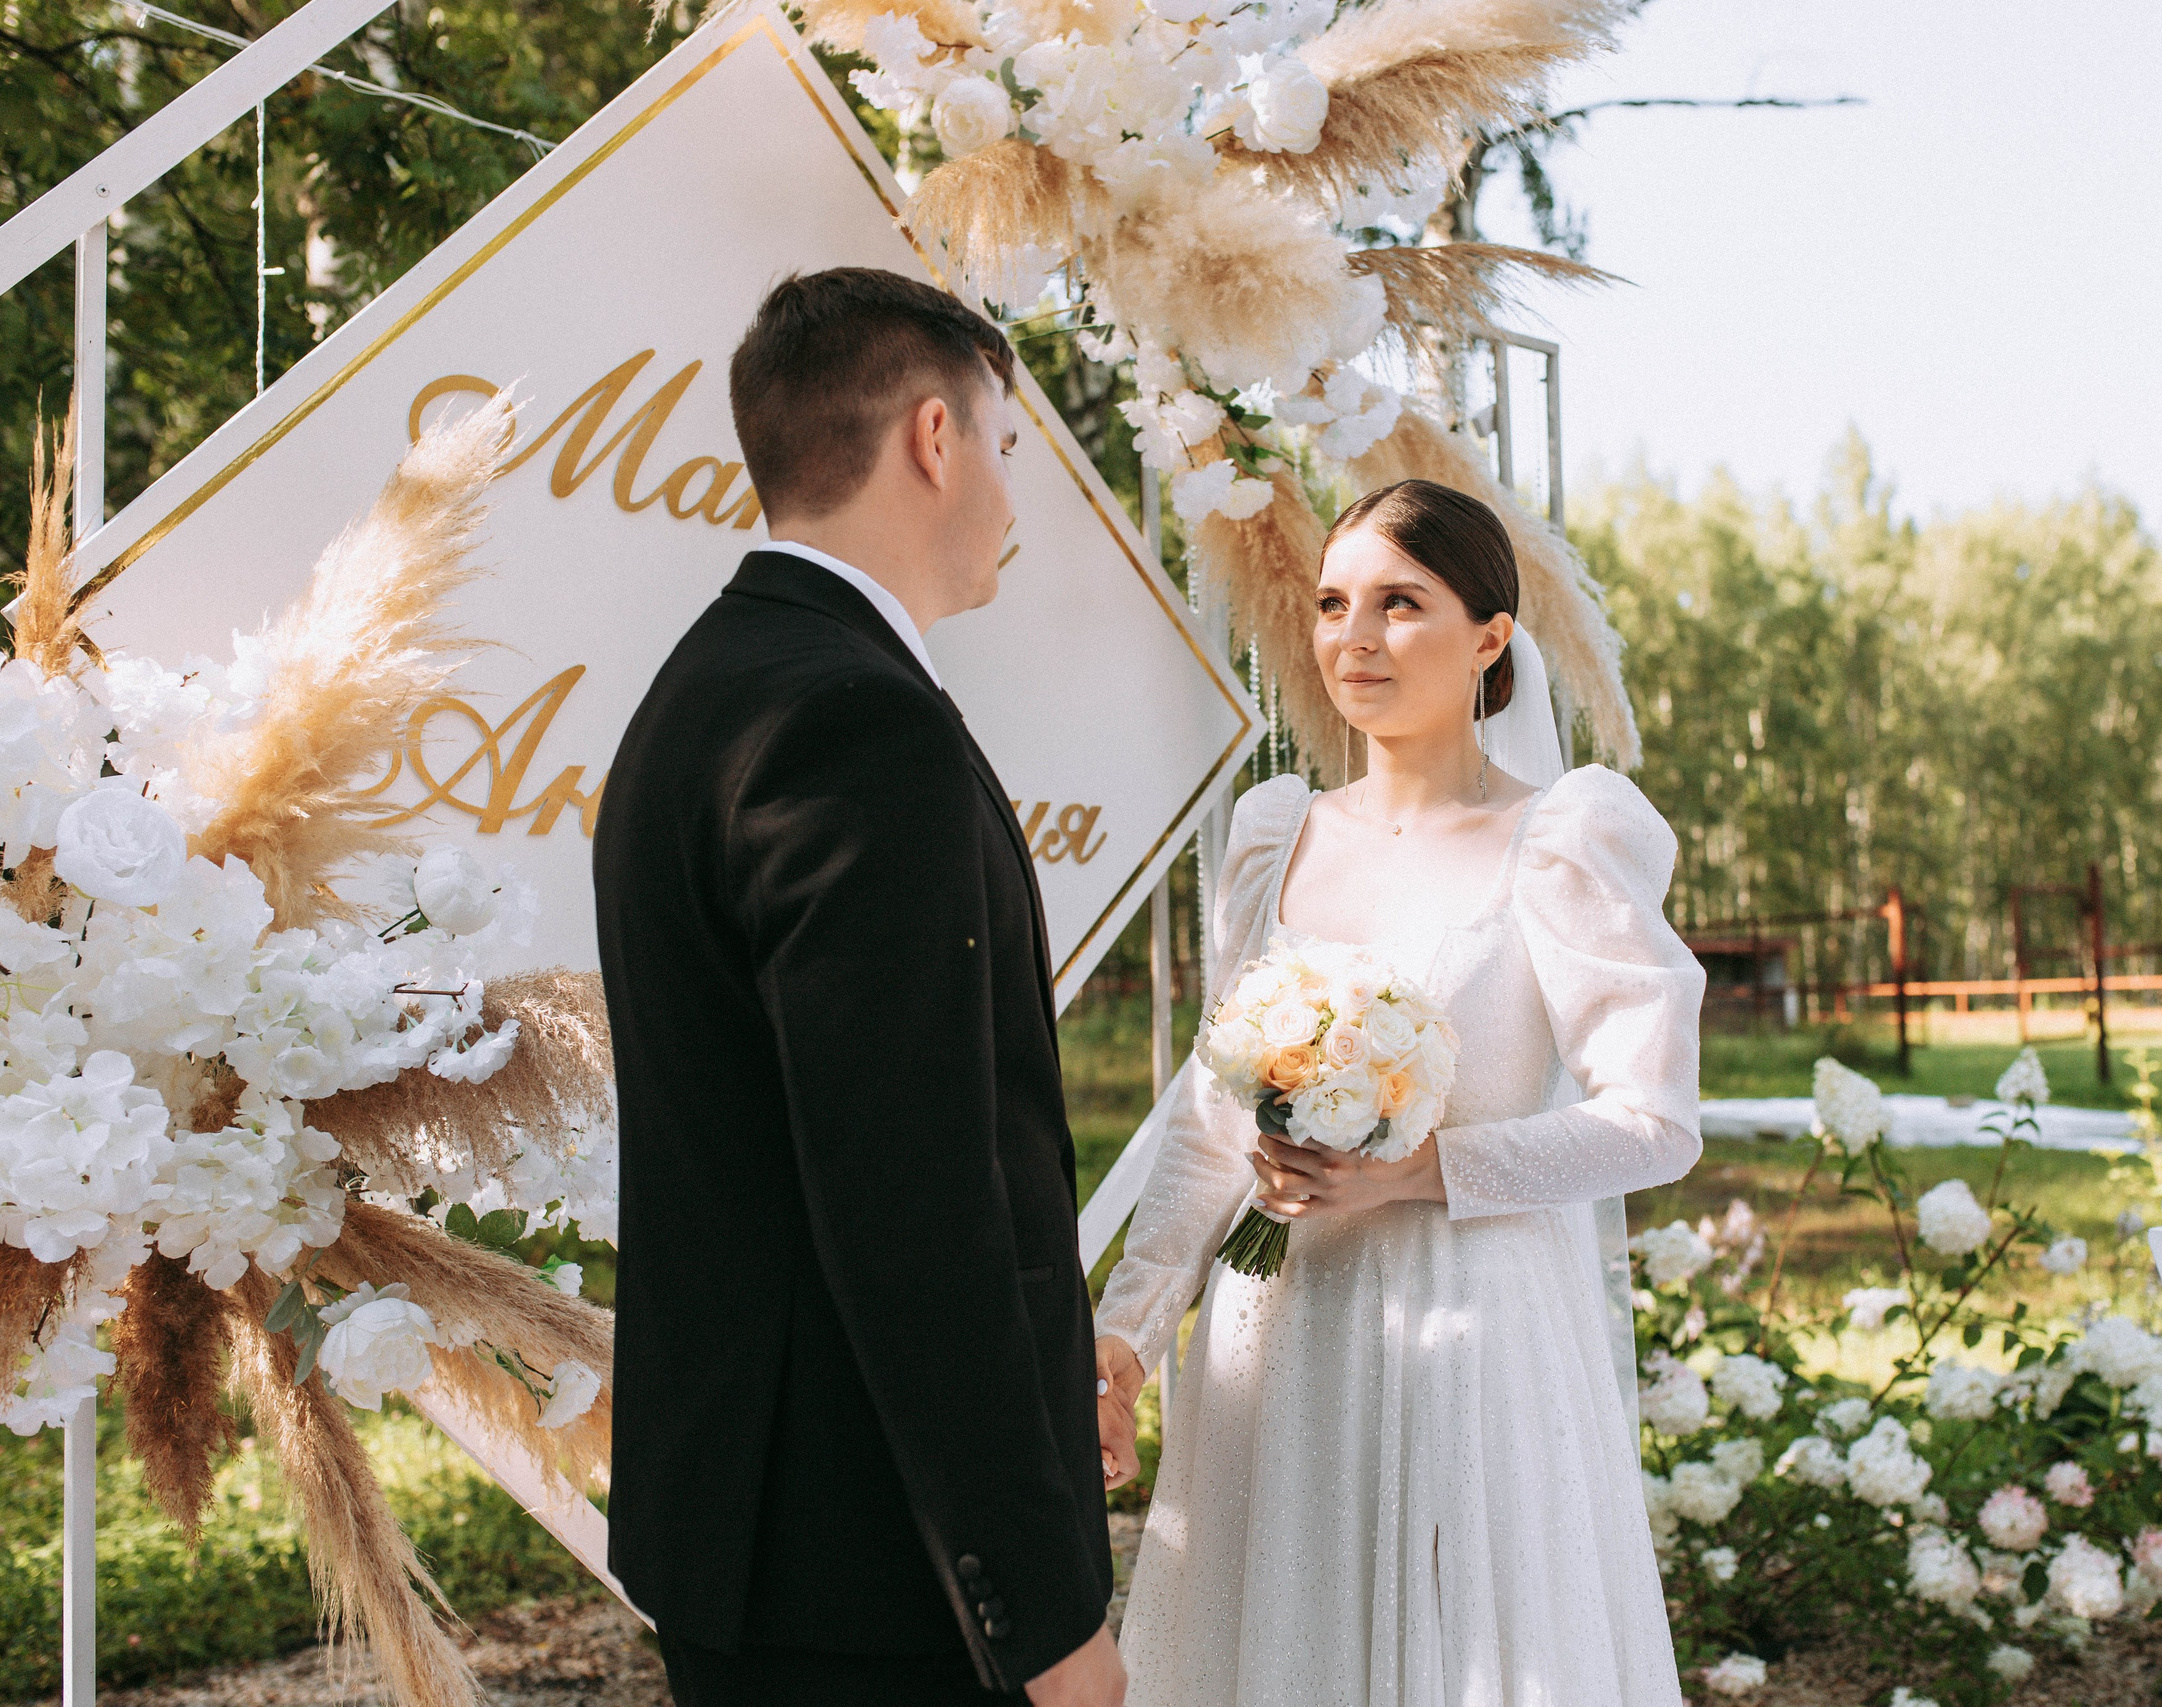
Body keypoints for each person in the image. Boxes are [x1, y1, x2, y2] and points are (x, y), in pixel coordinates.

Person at [592, 268, 1125, 1707]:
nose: (1014, 495)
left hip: (755, 1532)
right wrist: (1040, 1609)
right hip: (874, 1574)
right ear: (936, 439)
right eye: (1010, 449)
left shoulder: (706, 687)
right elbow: (913, 1201)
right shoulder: (856, 723)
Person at [1092, 478, 1704, 1705]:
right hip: (1285, 1336)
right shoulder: (1276, 837)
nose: (1352, 638)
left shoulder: (1564, 838)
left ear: (1490, 638)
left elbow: (1653, 1120)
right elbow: (1213, 1130)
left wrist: (1423, 1172)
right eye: (1331, 603)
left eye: (1398, 604)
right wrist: (1127, 1334)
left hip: (1473, 1328)